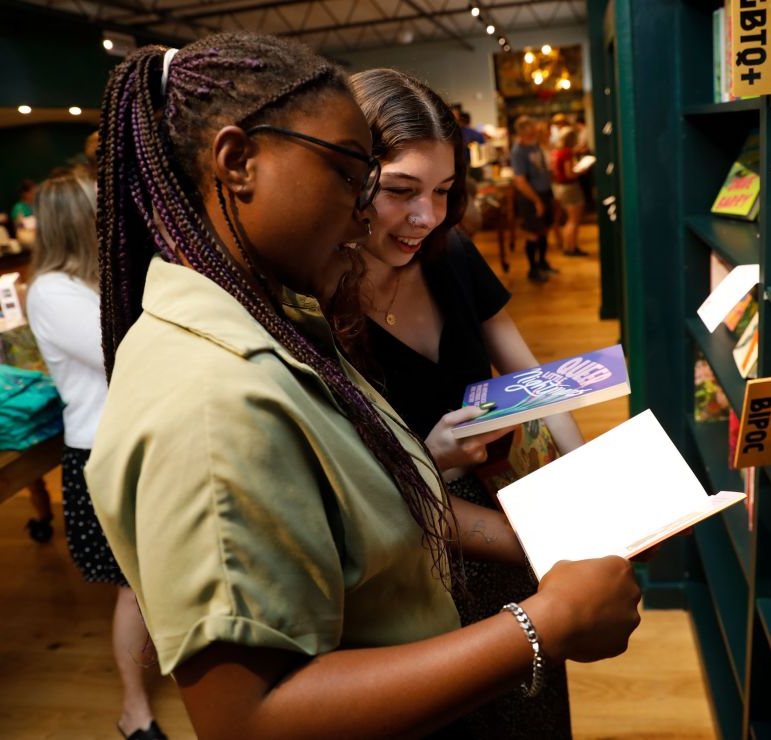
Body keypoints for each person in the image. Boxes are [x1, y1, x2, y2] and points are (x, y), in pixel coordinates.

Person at [85, 33, 641, 739]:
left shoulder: (280, 318)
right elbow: (249, 718)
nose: (367, 209)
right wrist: (543, 623)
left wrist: (541, 546)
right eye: (353, 176)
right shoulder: (211, 403)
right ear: (238, 162)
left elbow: (382, 501)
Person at [350, 67, 591, 737]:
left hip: (501, 514)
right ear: (348, 180)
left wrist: (586, 477)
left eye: (444, 191)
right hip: (410, 549)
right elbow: (351, 491)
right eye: (400, 192)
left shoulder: (448, 253)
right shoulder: (318, 308)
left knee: (532, 699)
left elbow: (530, 379)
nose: (425, 217)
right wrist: (429, 457)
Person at [25, 172, 166, 740]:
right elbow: (126, 351)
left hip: (142, 440)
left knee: (160, 576)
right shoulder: (51, 292)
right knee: (134, 585)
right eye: (101, 212)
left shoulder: (93, 281)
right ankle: (135, 709)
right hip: (103, 453)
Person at [510, 115, 555, 284]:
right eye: (531, 127)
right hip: (530, 197)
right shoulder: (518, 151)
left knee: (544, 230)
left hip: (544, 192)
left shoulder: (535, 144)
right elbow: (520, 181)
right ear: (523, 131)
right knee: (533, 233)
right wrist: (537, 201)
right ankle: (533, 269)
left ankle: (542, 262)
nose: (535, 129)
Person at [550, 127, 589, 257]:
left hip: (560, 187)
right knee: (573, 220)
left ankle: (568, 246)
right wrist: (581, 170)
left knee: (569, 219)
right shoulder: (567, 153)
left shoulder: (556, 151)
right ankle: (571, 248)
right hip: (570, 187)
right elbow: (569, 174)